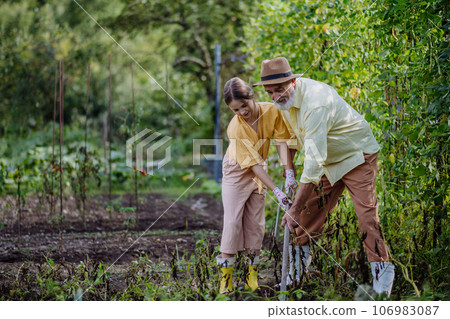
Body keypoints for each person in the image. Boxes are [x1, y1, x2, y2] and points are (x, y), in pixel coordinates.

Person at [253, 57, 395, 297]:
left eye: (279, 89)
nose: (276, 97)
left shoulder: (315, 103)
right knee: (308, 216)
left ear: (293, 81)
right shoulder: (284, 103)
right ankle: (294, 277)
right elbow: (290, 139)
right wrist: (290, 173)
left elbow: (314, 161)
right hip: (328, 161)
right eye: (270, 92)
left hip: (355, 156)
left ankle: (382, 286)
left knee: (366, 219)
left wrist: (294, 208)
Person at [217, 77, 297, 294]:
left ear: (251, 97)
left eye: (244, 105)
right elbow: (251, 165)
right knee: (233, 221)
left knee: (256, 223)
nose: (242, 112)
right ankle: (226, 279)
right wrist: (276, 190)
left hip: (258, 167)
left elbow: (281, 141)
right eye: (235, 110)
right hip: (236, 170)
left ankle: (252, 275)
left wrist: (288, 171)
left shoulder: (271, 111)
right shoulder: (236, 127)